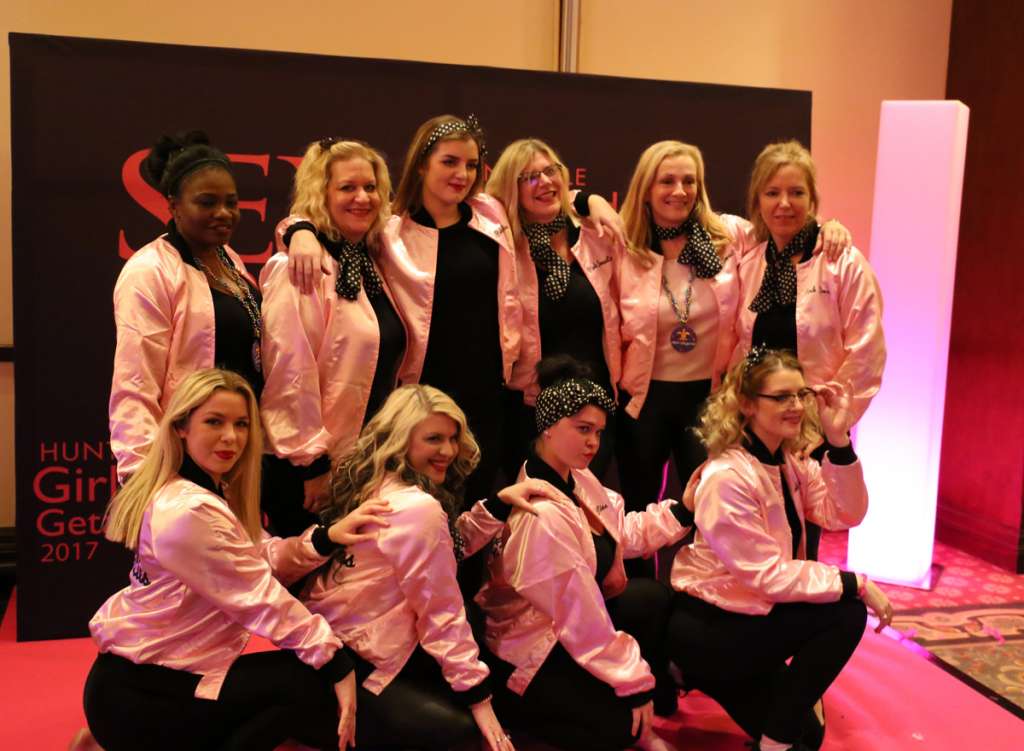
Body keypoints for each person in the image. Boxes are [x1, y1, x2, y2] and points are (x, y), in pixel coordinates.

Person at [81, 369, 391, 751]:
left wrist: (325, 538)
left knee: (300, 678)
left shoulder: (203, 491)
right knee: (305, 683)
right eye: (214, 422)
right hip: (140, 697)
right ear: (181, 427)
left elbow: (259, 558)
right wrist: (334, 661)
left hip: (149, 679)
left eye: (241, 424)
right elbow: (258, 596)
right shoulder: (188, 510)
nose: (231, 436)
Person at [615, 140, 851, 576]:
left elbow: (785, 225)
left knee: (713, 509)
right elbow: (570, 208)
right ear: (646, 188)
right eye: (667, 181)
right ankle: (640, 597)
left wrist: (828, 226)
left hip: (709, 400)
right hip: (642, 402)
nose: (679, 191)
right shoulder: (623, 247)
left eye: (689, 181)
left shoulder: (729, 238)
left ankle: (705, 591)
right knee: (640, 510)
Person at [302, 383, 565, 751]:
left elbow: (442, 549)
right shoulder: (416, 507)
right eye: (434, 439)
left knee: (472, 626)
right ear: (401, 440)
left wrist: (498, 505)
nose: (449, 450)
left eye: (453, 438)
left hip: (338, 634)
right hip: (356, 655)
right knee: (464, 735)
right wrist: (479, 699)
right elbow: (440, 610)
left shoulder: (381, 480)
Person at [667, 348, 893, 751]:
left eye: (801, 394)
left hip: (752, 613)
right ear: (747, 404)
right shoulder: (727, 476)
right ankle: (762, 735)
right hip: (713, 626)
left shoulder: (789, 462)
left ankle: (765, 726)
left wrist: (838, 441)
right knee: (846, 612)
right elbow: (767, 575)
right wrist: (854, 582)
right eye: (782, 396)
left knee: (809, 739)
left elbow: (845, 513)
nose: (797, 406)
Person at [477, 356, 692, 751]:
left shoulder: (576, 476)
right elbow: (578, 611)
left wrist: (682, 512)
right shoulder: (542, 513)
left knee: (653, 598)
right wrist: (632, 680)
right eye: (582, 429)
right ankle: (522, 711)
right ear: (548, 426)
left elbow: (618, 531)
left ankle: (637, 695)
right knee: (621, 727)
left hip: (563, 624)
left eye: (598, 432)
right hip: (529, 646)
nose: (594, 442)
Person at [733, 140, 885, 559]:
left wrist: (820, 424)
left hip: (810, 426)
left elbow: (867, 353)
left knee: (801, 536)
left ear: (812, 199)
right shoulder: (751, 261)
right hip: (753, 423)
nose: (784, 204)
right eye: (772, 192)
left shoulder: (843, 263)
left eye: (796, 192)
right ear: (757, 201)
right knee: (753, 536)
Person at [260, 138, 409, 535]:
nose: (363, 198)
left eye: (370, 187)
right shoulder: (299, 268)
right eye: (347, 187)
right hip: (311, 474)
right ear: (320, 194)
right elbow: (290, 377)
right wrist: (312, 466)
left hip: (365, 464)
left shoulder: (371, 262)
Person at [109, 131, 262, 484]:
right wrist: (143, 477)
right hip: (181, 458)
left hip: (234, 452)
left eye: (231, 203)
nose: (223, 213)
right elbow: (135, 382)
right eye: (207, 202)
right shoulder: (150, 271)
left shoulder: (230, 260)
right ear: (174, 205)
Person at [486, 138, 623, 480]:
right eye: (530, 177)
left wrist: (589, 199)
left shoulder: (592, 234)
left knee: (590, 501)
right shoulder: (503, 243)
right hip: (532, 408)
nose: (545, 182)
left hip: (594, 405)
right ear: (511, 188)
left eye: (551, 171)